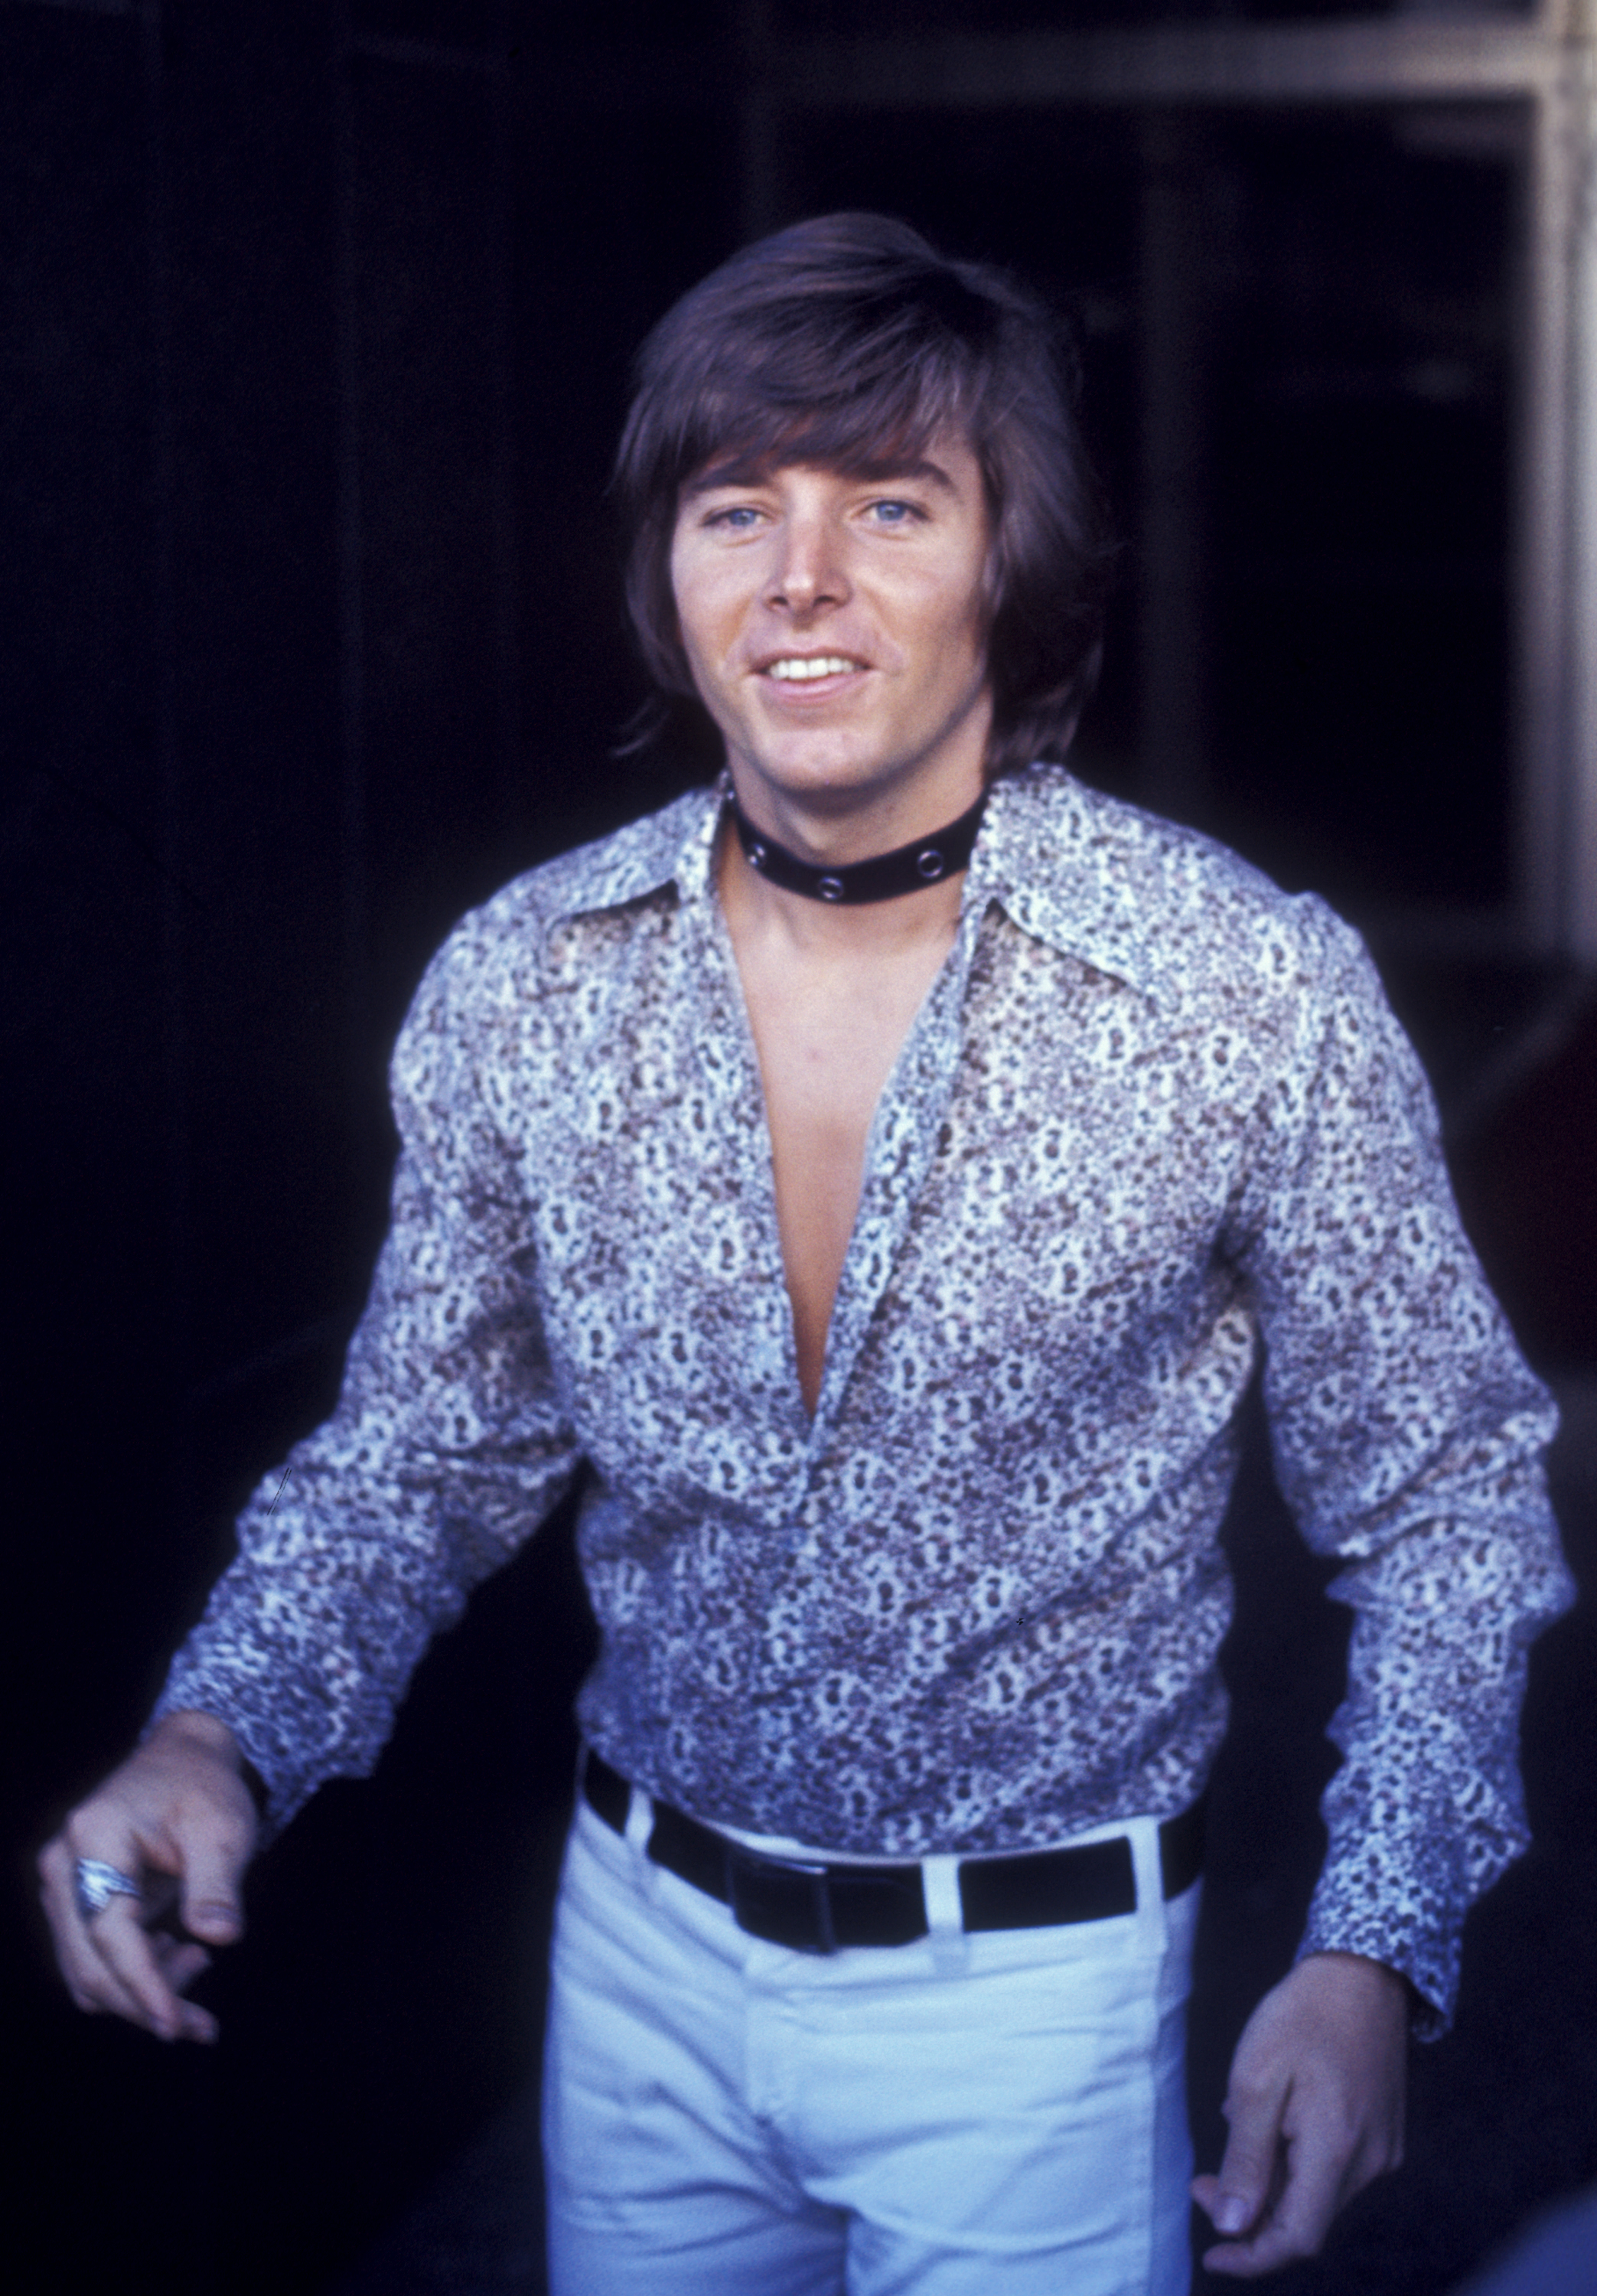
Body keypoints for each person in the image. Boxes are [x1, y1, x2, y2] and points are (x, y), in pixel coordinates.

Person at [40, 213, 1573, 2295]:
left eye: (892, 505)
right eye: (734, 505)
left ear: (1010, 567)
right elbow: (423, 1456)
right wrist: (211, 1734)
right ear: (668, 575)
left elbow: (1451, 1495)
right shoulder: (527, 985)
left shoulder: (1240, 987)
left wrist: (1376, 1946)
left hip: (1027, 2009)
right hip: (643, 1969)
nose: (801, 582)